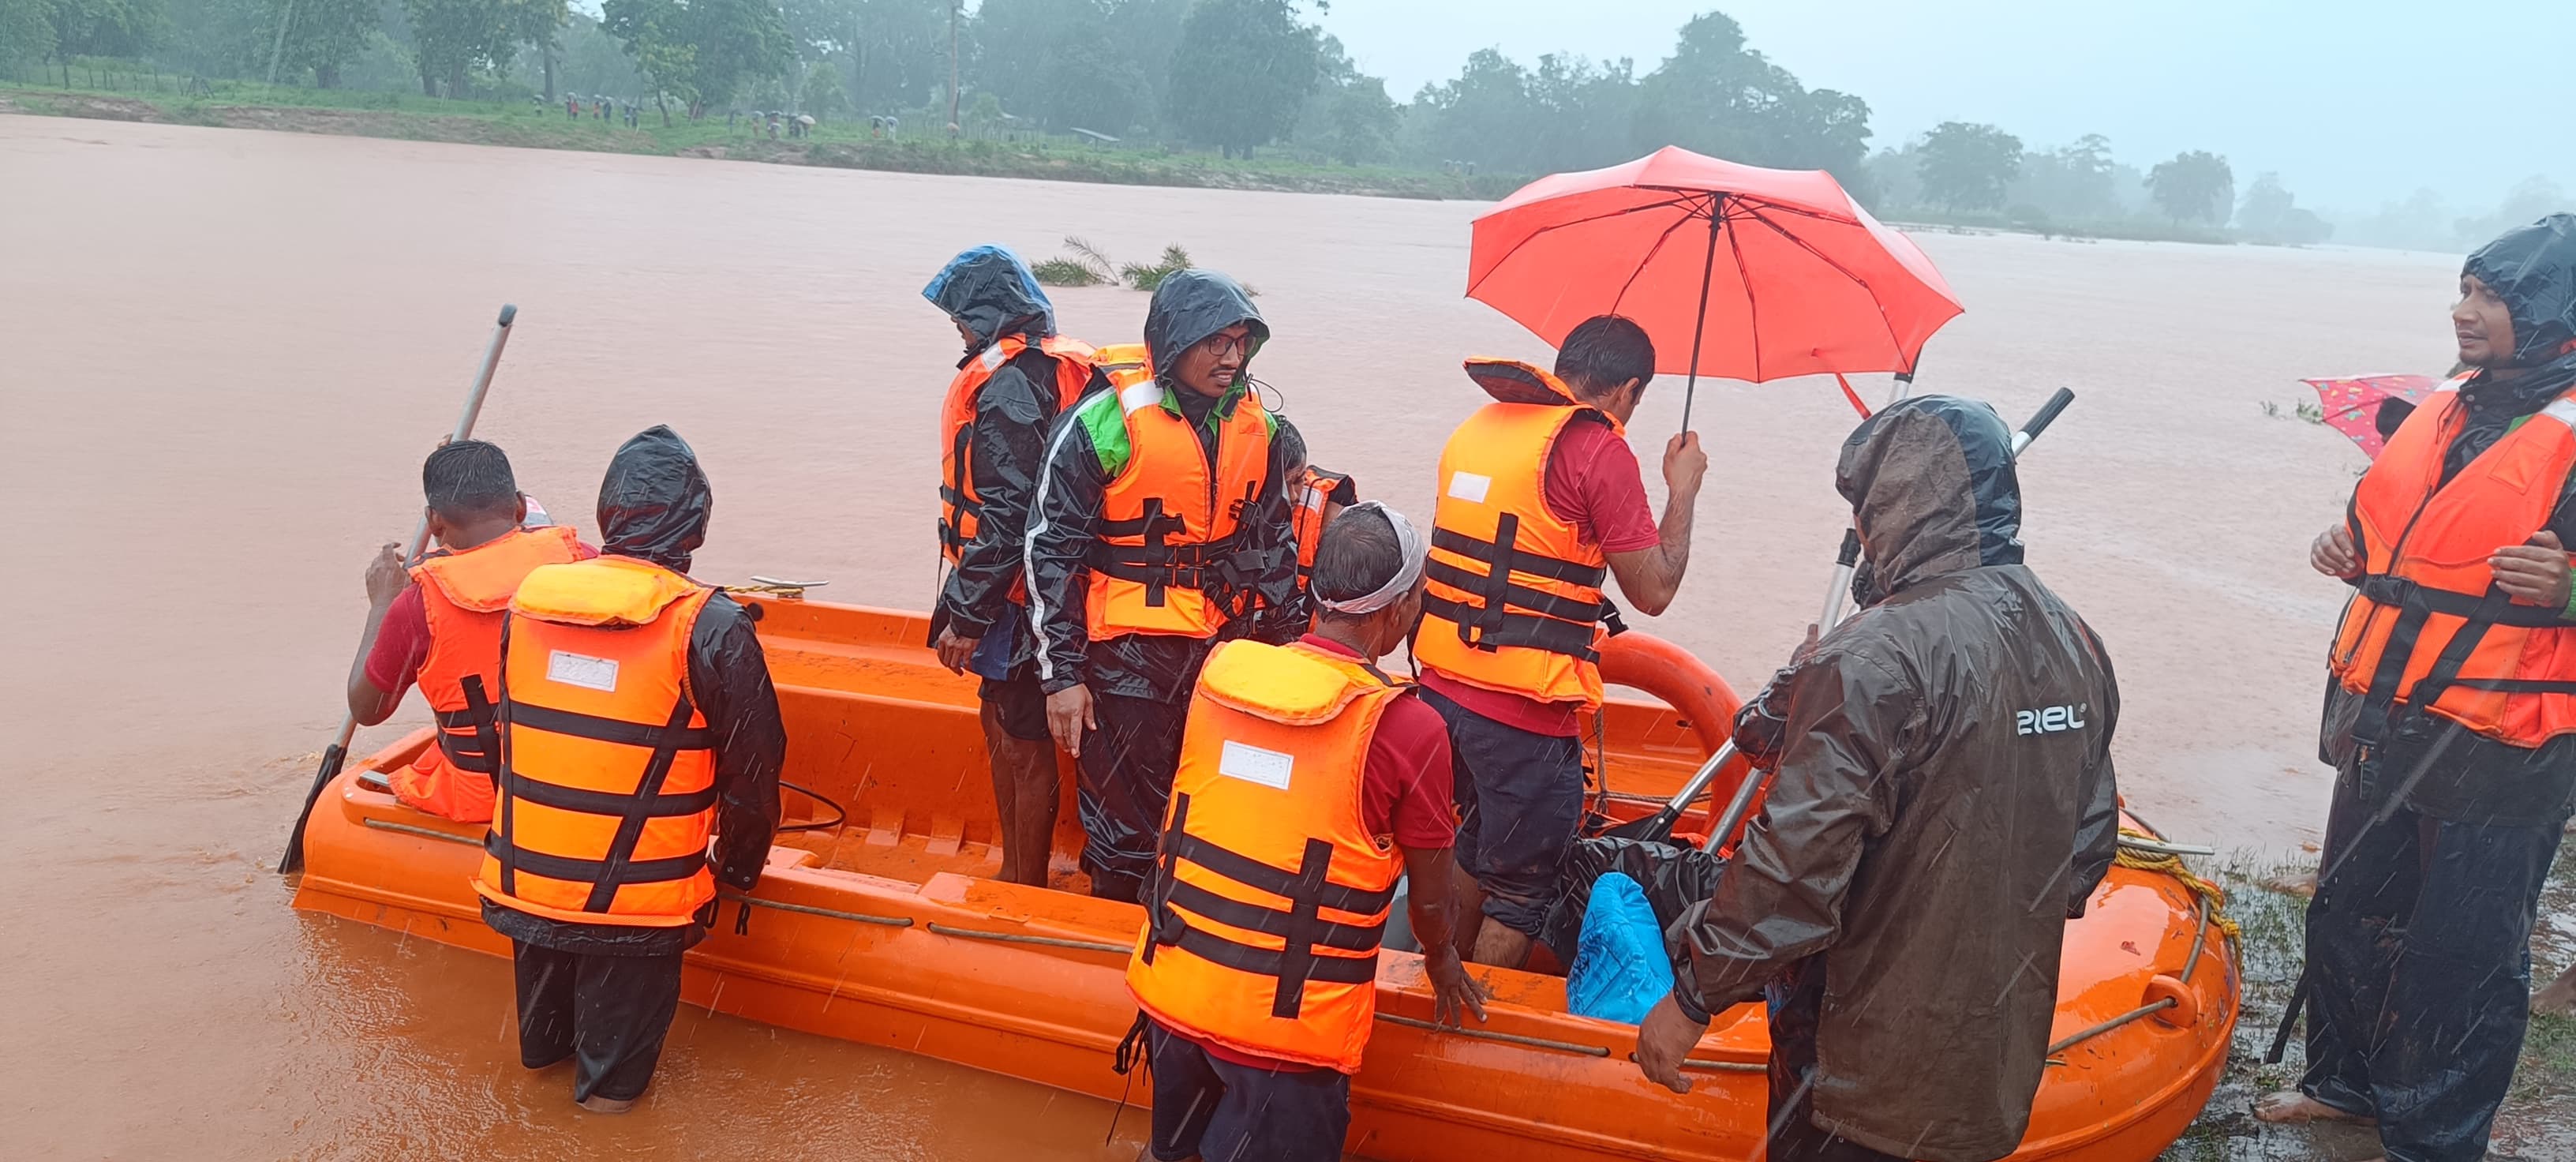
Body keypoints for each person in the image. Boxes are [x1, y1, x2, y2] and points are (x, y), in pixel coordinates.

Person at [1634, 396, 2121, 1162]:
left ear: (1892, 509)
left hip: (1854, 1075)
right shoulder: (2073, 637)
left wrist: (1695, 994)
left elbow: (1793, 866)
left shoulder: (1873, 658)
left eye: (1864, 509)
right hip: (1988, 1061)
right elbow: (2083, 855)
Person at [2263, 214, 2576, 1162]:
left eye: (2492, 297)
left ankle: (2434, 1136)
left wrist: (2570, 588)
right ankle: (2346, 1084)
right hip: (2387, 710)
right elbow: (2388, 530)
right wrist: (2345, 549)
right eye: (2466, 290)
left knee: (2464, 950)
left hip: (2507, 738)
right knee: (2350, 906)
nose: (2463, 312)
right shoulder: (2445, 405)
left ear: (2556, 313)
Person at [1120, 502, 1487, 1162]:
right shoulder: (1408, 727)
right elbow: (1431, 903)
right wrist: (1441, 958)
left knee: (1172, 1155)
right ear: (1399, 611)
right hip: (1282, 1034)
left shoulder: (1223, 674)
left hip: (1178, 990)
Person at [474, 425, 785, 1114]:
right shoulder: (712, 626)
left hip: (526, 885)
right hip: (633, 914)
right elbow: (753, 780)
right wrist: (736, 872)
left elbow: (514, 741)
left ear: (608, 515)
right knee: (610, 1107)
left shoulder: (528, 608)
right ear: (696, 524)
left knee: (542, 1065)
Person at [1413, 315, 1706, 968]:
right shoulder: (1599, 448)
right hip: (1522, 717)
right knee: (1522, 890)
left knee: (1471, 842)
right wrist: (1682, 489)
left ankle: (1433, 987)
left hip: (1438, 698)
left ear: (1565, 365)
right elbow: (1653, 591)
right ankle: (1473, 1033)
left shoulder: (1483, 426)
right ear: (1629, 390)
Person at [1026, 268, 1301, 904]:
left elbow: (1277, 553)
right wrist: (1062, 677)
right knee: (1125, 833)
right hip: (1124, 662)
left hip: (1222, 657)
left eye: (1241, 343)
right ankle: (1119, 932)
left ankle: (1185, 944)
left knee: (1210, 815)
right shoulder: (1102, 425)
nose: (1232, 358)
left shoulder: (1263, 432)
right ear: (1173, 343)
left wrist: (1290, 660)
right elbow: (1051, 553)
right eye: (1216, 342)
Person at [924, 245, 1107, 886]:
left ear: (988, 315)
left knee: (1021, 737)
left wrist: (967, 613)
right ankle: (1014, 869)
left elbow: (1007, 513)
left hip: (1022, 593)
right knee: (1000, 714)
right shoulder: (1046, 368)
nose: (957, 329)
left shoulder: (1011, 385)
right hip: (1024, 585)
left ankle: (1023, 882)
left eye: (961, 318)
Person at [347, 440, 589, 823]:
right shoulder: (584, 561)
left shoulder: (416, 606)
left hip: (488, 796)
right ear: (522, 506)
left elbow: (367, 709)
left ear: (434, 522)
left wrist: (382, 604)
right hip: (585, 773)